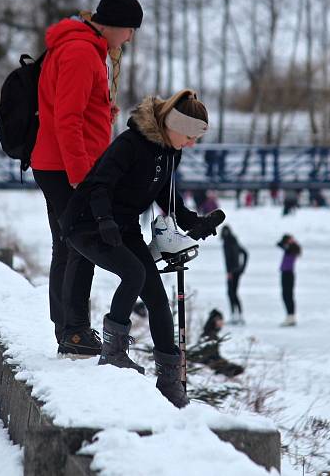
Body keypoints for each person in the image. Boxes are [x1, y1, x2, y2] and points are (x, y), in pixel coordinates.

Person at [60, 89, 220, 408]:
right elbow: (99, 184)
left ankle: (169, 381)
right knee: (133, 273)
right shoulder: (130, 144)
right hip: (88, 223)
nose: (191, 143)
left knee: (158, 300)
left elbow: (165, 193)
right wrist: (104, 218)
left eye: (195, 139)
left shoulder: (169, 150)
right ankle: (114, 353)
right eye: (189, 136)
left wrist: (192, 222)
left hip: (124, 227)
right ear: (172, 125)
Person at [31, 0, 143, 352]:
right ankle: (74, 331)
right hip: (67, 167)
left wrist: (103, 112)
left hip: (61, 163)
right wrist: (82, 175)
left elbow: (76, 110)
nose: (130, 38)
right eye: (128, 30)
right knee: (79, 245)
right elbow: (67, 119)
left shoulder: (84, 48)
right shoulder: (80, 52)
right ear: (112, 24)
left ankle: (69, 329)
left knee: (68, 245)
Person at [189, 309, 244, 377]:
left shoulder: (211, 334)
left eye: (221, 320)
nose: (221, 322)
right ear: (213, 321)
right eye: (219, 320)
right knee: (236, 369)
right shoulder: (209, 335)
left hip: (212, 363)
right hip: (208, 365)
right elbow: (206, 356)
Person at [220, 225, 248, 325]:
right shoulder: (233, 241)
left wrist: (230, 272)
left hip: (233, 272)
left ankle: (236, 315)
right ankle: (237, 315)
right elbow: (244, 253)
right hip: (235, 271)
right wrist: (242, 268)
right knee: (233, 293)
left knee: (232, 293)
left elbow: (230, 258)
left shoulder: (229, 242)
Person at [277, 234, 301, 327]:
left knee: (288, 295)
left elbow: (281, 245)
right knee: (285, 295)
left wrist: (291, 241)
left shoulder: (293, 248)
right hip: (285, 273)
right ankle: (290, 316)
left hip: (288, 274)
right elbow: (279, 244)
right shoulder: (290, 247)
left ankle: (291, 317)